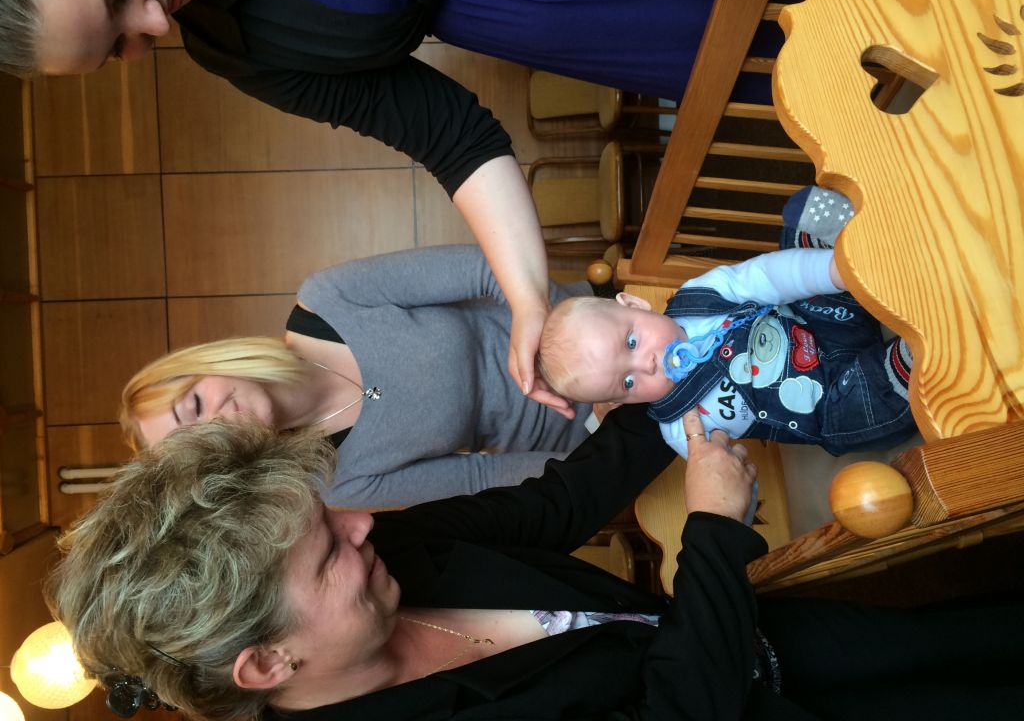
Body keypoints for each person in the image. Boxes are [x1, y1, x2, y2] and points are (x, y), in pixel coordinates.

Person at [0, 0, 768, 405]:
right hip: (572, 20)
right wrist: (529, 298)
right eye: (119, 45)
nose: (154, 26)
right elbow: (446, 133)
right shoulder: (227, 43)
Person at [49, 408, 1024, 721]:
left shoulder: (393, 560)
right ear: (265, 662)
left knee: (978, 636)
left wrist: (673, 395)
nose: (361, 525)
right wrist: (713, 536)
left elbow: (551, 506)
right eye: (325, 550)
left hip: (758, 644)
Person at [121, 244, 594, 507]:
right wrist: (601, 451)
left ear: (207, 364)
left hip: (590, 329)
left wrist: (585, 353)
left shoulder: (328, 300)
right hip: (581, 431)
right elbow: (480, 478)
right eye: (201, 441)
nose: (216, 422)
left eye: (195, 404)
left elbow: (487, 270)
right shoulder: (333, 483)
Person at [538, 243, 918, 461]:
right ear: (622, 402)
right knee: (885, 387)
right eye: (627, 382)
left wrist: (835, 270)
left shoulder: (701, 296)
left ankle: (861, 254)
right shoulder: (681, 428)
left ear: (635, 305)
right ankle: (917, 354)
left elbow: (768, 276)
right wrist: (724, 472)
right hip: (836, 403)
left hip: (824, 321)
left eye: (632, 343)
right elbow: (717, 473)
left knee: (803, 233)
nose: (648, 364)